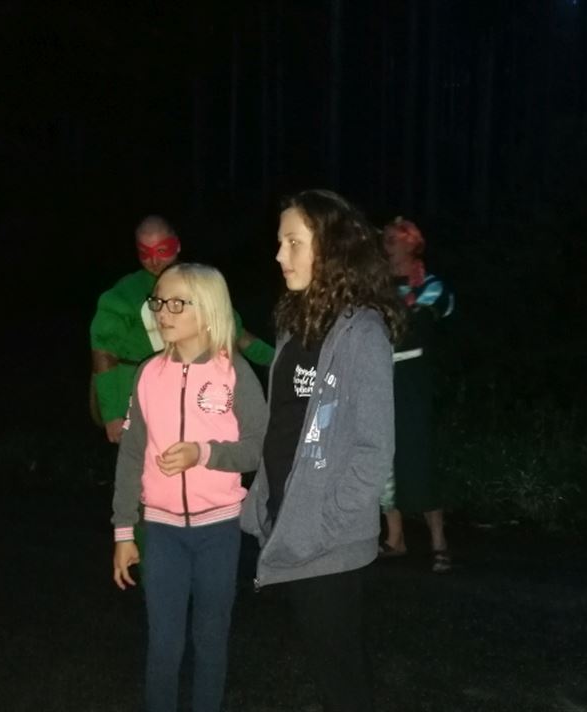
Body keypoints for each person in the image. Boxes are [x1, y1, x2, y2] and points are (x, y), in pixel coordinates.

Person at [240, 189, 403, 712]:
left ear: (331, 248)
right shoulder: (295, 323)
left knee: (341, 678)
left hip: (327, 539)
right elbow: (285, 422)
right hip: (290, 522)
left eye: (293, 242)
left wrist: (328, 522)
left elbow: (374, 447)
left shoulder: (363, 332)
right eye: (279, 242)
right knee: (332, 667)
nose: (279, 255)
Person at [111, 263, 268, 712]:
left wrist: (203, 453)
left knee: (210, 639)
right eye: (159, 301)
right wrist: (124, 532)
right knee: (164, 643)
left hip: (219, 530)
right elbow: (131, 455)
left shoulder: (234, 373)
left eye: (177, 303)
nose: (163, 311)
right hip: (161, 532)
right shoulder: (148, 374)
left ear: (209, 310)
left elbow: (257, 448)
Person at [90, 215, 274, 443]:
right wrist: (112, 414)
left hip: (194, 394)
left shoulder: (201, 285)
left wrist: (280, 361)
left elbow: (236, 333)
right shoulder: (122, 295)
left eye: (162, 250)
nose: (154, 260)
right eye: (145, 252)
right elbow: (104, 353)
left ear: (177, 245)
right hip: (138, 395)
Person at [377, 217, 456, 573]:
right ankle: (395, 538)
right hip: (379, 375)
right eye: (385, 238)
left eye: (393, 238)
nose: (387, 244)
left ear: (412, 243)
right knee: (382, 454)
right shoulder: (376, 286)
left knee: (419, 454)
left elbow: (432, 314)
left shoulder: (432, 286)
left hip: (413, 378)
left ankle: (439, 542)